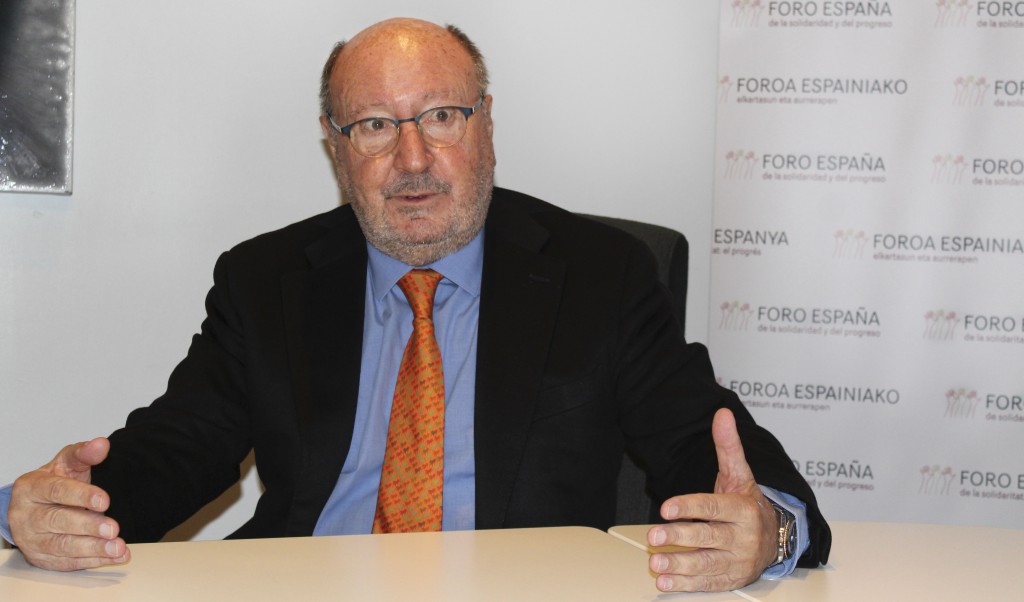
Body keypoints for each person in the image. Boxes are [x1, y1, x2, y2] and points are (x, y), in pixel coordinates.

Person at [1, 18, 830, 592]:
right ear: (335, 147)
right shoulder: (268, 280)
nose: (412, 158)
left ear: (486, 126)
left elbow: (699, 444)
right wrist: (55, 510)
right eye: (373, 125)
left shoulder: (599, 274)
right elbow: (180, 447)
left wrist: (771, 528)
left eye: (440, 116)